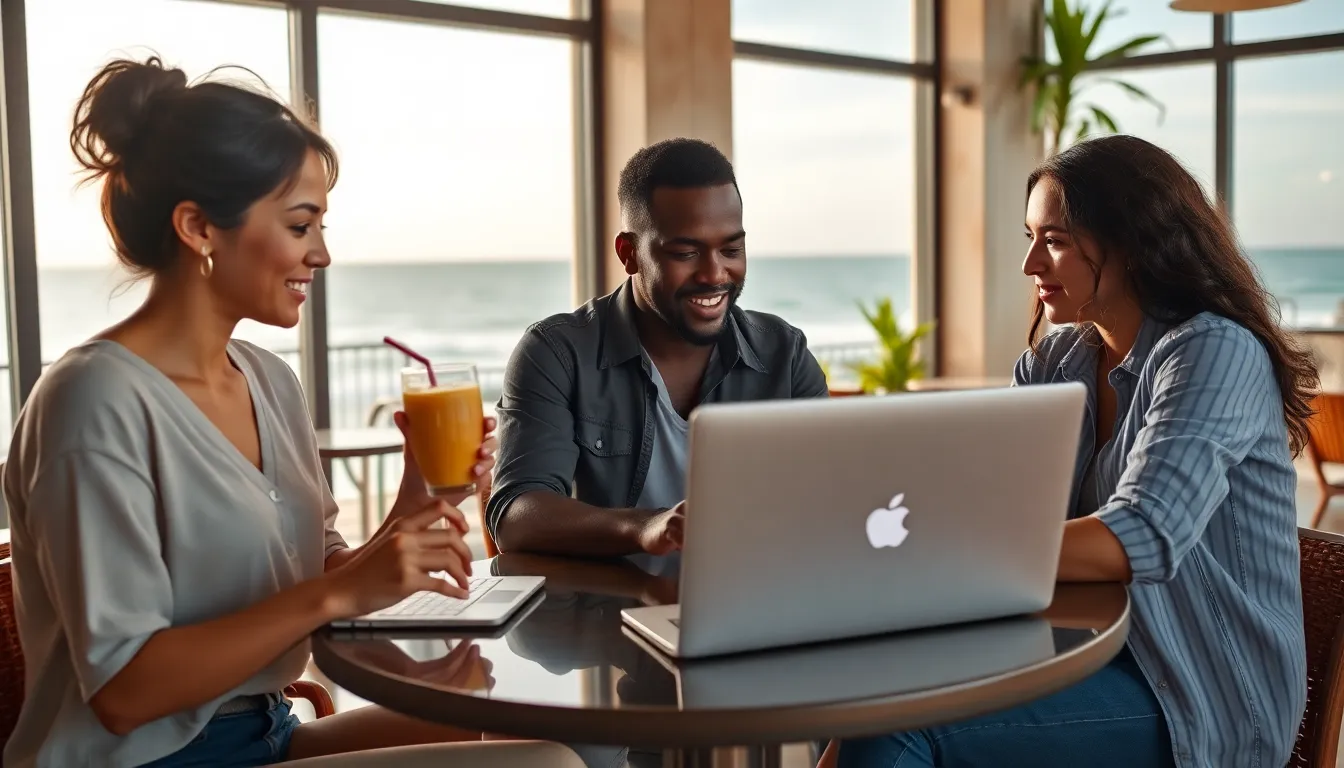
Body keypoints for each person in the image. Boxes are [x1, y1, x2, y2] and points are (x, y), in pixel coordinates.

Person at [2, 57, 581, 768]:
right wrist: (339, 588)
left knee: (523, 738)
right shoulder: (93, 403)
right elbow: (123, 691)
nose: (323, 254)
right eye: (301, 225)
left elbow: (322, 577)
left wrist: (419, 500)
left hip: (265, 732)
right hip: (144, 759)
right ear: (198, 227)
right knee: (542, 767)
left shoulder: (270, 382)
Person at [831, 135, 1315, 767]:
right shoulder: (1055, 362)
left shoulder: (1214, 351)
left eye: (1054, 240)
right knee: (856, 698)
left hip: (1203, 698)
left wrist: (948, 550)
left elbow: (1143, 532)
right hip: (1083, 655)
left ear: (1134, 244)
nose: (1031, 264)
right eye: (1030, 237)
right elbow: (1000, 509)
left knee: (894, 729)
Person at [485, 138, 829, 558]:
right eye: (686, 252)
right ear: (629, 254)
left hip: (758, 606)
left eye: (732, 249)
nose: (715, 274)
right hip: (606, 615)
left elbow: (832, 495)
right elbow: (516, 517)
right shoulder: (556, 354)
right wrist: (644, 527)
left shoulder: (785, 354)